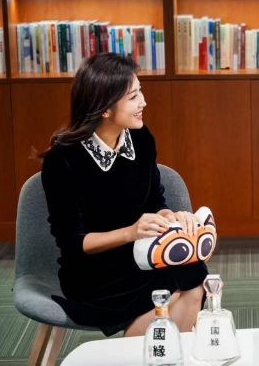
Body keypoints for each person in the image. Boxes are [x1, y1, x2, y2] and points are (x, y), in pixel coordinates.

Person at [40, 53, 208, 337]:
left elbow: (155, 202)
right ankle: (140, 352)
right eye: (133, 97)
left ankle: (165, 352)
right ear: (105, 108)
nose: (143, 102)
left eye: (140, 91)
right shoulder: (62, 160)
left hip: (142, 253)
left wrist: (171, 217)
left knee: (194, 276)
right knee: (167, 293)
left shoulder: (141, 139)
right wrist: (131, 232)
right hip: (93, 271)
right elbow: (73, 244)